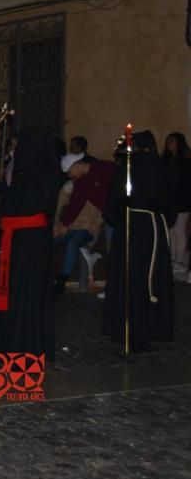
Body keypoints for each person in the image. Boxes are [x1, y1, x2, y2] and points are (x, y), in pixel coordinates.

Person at [0, 129, 60, 361]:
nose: (15, 151)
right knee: (4, 293)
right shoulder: (26, 171)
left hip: (30, 243)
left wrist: (2, 188)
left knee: (24, 296)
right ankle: (0, 345)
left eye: (19, 146)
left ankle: (22, 349)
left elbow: (26, 204)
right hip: (15, 238)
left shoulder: (45, 172)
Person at [102, 131, 175, 353]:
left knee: (132, 279)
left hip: (131, 229)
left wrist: (121, 217)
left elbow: (112, 207)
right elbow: (167, 202)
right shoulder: (155, 169)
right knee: (142, 281)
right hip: (150, 230)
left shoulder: (126, 170)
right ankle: (143, 332)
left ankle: (129, 330)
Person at [53, 157, 114, 293]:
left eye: (70, 172)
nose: (70, 176)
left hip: (93, 225)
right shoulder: (80, 183)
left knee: (74, 243)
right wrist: (63, 225)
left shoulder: (104, 169)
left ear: (77, 165)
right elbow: (73, 206)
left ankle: (62, 281)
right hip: (74, 227)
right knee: (51, 240)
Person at [162, 132, 191, 275]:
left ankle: (179, 262)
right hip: (169, 200)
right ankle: (172, 260)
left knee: (179, 231)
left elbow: (185, 183)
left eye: (172, 141)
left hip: (182, 200)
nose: (169, 144)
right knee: (170, 232)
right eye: (168, 141)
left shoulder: (185, 161)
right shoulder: (166, 160)